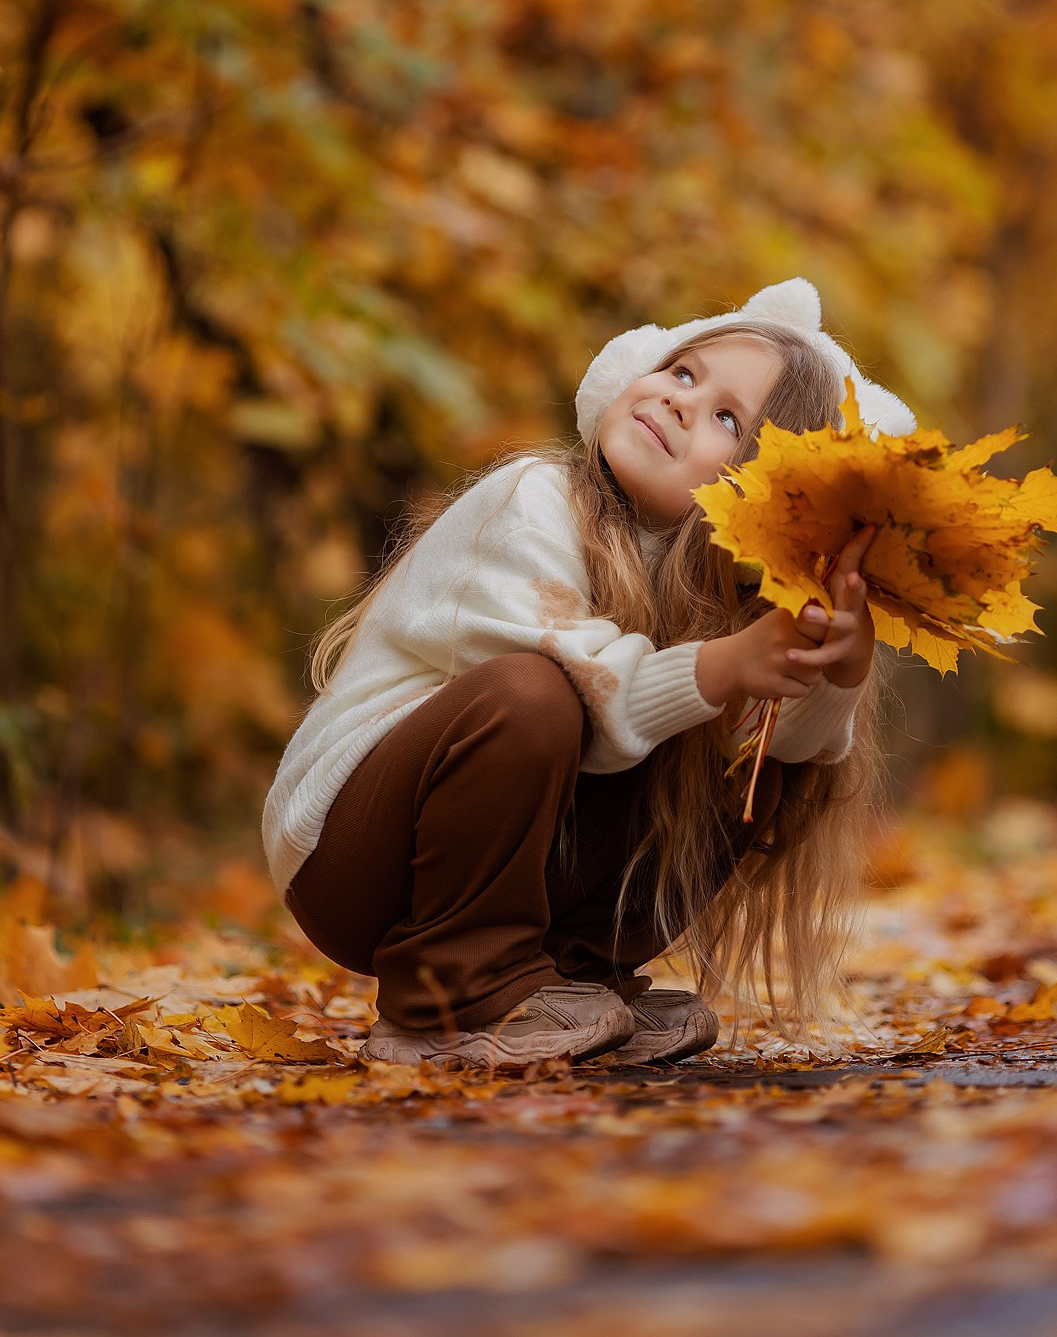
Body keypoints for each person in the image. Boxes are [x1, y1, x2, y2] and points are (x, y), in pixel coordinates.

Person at [263, 278, 915, 1070]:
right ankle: (454, 994)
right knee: (535, 691)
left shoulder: (725, 594)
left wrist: (838, 664)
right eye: (683, 372)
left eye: (726, 419)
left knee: (754, 761)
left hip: (499, 860)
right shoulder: (531, 500)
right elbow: (591, 688)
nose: (682, 403)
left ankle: (572, 978)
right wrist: (724, 665)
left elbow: (786, 747)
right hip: (352, 854)